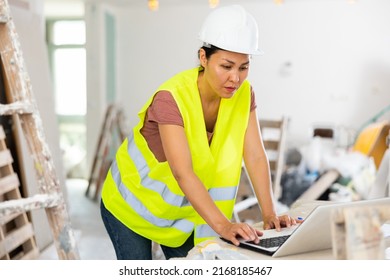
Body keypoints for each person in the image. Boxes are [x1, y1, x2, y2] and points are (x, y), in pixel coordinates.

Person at [100, 4, 297, 260]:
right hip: (130, 207)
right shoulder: (171, 98)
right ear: (203, 57)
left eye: (243, 67)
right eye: (226, 66)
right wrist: (224, 226)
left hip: (182, 219)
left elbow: (256, 157)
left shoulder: (244, 96)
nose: (235, 78)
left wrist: (269, 214)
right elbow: (183, 173)